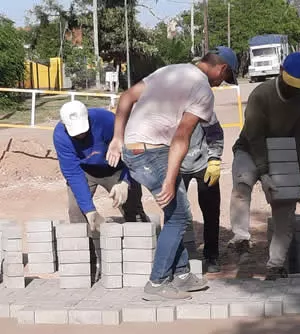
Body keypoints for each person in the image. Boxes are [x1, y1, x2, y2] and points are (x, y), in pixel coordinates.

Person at [106, 45, 238, 301]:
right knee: (178, 217)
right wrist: (169, 180)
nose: (221, 83)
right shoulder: (203, 91)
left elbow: (125, 97)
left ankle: (182, 274)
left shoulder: (170, 71)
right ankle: (157, 283)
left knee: (177, 213)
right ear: (221, 69)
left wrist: (117, 138)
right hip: (152, 154)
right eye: (224, 78)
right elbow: (181, 137)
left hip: (134, 150)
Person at [228, 52, 300, 280]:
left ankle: (275, 265)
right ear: (280, 71)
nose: (293, 90)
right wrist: (264, 173)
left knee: (285, 208)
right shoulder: (261, 94)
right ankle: (241, 238)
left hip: (283, 152)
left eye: (298, 86)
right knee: (242, 183)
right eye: (290, 84)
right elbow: (255, 137)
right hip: (249, 148)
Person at [53, 100, 148, 279]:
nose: (81, 136)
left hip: (117, 168)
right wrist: (89, 210)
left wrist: (125, 181)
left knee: (132, 208)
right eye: (76, 134)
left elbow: (133, 150)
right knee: (77, 212)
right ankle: (87, 266)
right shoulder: (60, 136)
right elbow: (73, 174)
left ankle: (139, 261)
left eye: (84, 131)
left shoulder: (106, 120)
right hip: (85, 172)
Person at [181, 112, 223, 273]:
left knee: (211, 212)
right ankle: (181, 256)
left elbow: (216, 133)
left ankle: (212, 255)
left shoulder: (202, 107)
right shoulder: (167, 109)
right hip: (177, 165)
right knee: (176, 212)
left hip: (204, 163)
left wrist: (214, 159)